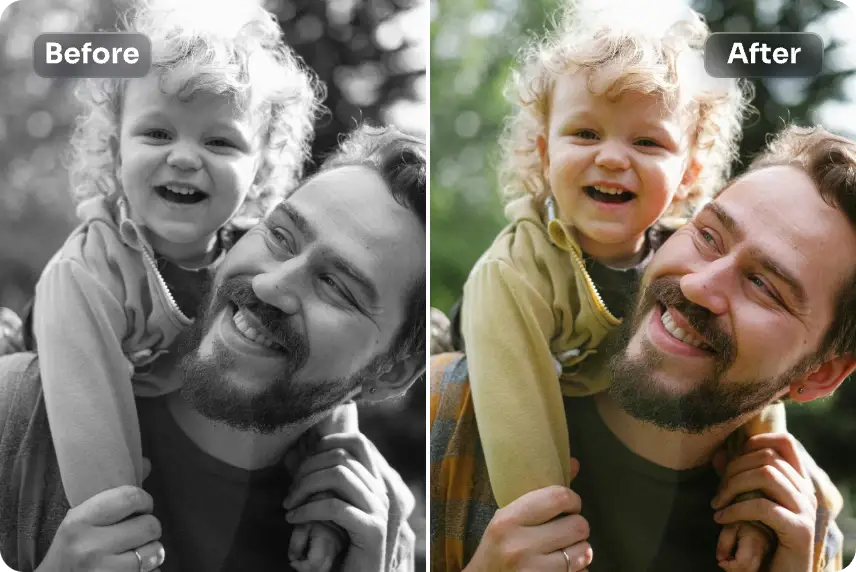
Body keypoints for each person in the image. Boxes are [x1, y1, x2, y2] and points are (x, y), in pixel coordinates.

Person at [12, 0, 359, 568]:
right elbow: (88, 424)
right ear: (114, 145)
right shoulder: (89, 270)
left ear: (261, 164)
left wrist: (328, 491)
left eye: (220, 143)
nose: (184, 157)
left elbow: (322, 369)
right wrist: (124, 543)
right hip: (53, 458)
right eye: (155, 132)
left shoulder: (260, 259)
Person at [0, 123, 426, 572]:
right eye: (281, 236)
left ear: (391, 374)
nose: (268, 285)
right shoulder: (17, 416)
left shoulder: (372, 535)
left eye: (337, 286)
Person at [430, 124, 853, 571]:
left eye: (764, 286)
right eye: (708, 236)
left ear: (819, 374)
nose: (696, 285)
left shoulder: (804, 537)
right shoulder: (446, 416)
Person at [451, 0, 779, 565]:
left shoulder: (691, 265)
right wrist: (548, 537)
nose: (611, 158)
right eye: (584, 133)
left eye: (647, 143)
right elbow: (516, 424)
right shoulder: (514, 274)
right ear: (544, 150)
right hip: (488, 370)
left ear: (690, 172)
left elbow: (751, 378)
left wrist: (755, 492)